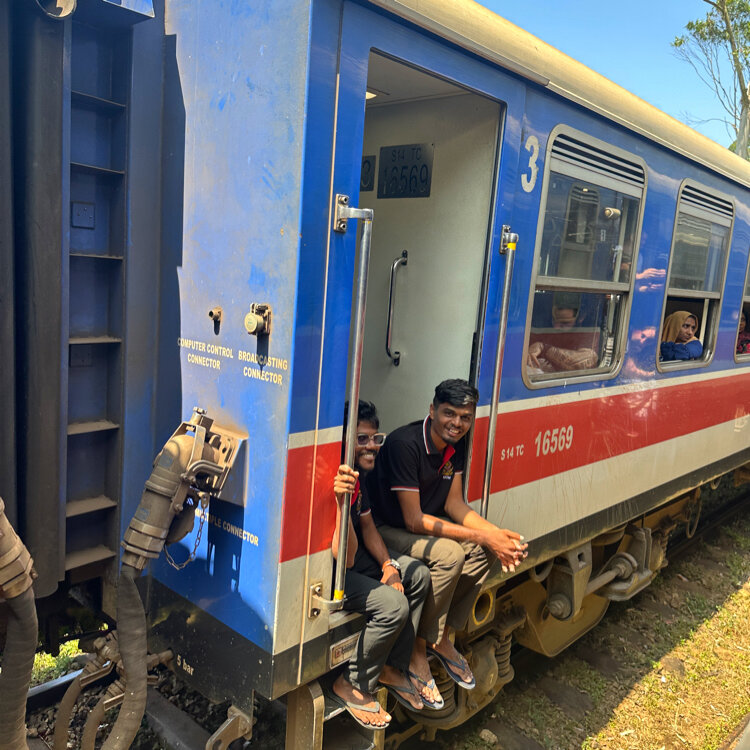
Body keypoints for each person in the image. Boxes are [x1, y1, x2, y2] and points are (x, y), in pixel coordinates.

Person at [367, 379, 528, 705]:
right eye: (449, 413)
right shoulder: (405, 444)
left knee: (484, 551)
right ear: (432, 410)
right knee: (451, 555)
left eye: (465, 417)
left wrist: (496, 536)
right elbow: (413, 519)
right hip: (386, 528)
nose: (457, 423)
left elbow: (455, 504)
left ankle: (439, 637)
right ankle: (417, 650)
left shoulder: (456, 443)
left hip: (418, 526)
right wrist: (484, 534)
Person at [329, 400, 432, 728]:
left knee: (418, 575)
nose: (372, 446)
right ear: (345, 440)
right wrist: (342, 504)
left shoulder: (359, 477)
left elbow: (368, 524)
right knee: (393, 606)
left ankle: (390, 665)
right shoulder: (338, 479)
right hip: (334, 571)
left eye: (375, 438)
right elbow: (344, 557)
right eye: (362, 439)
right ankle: (351, 683)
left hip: (354, 559)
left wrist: (389, 565)